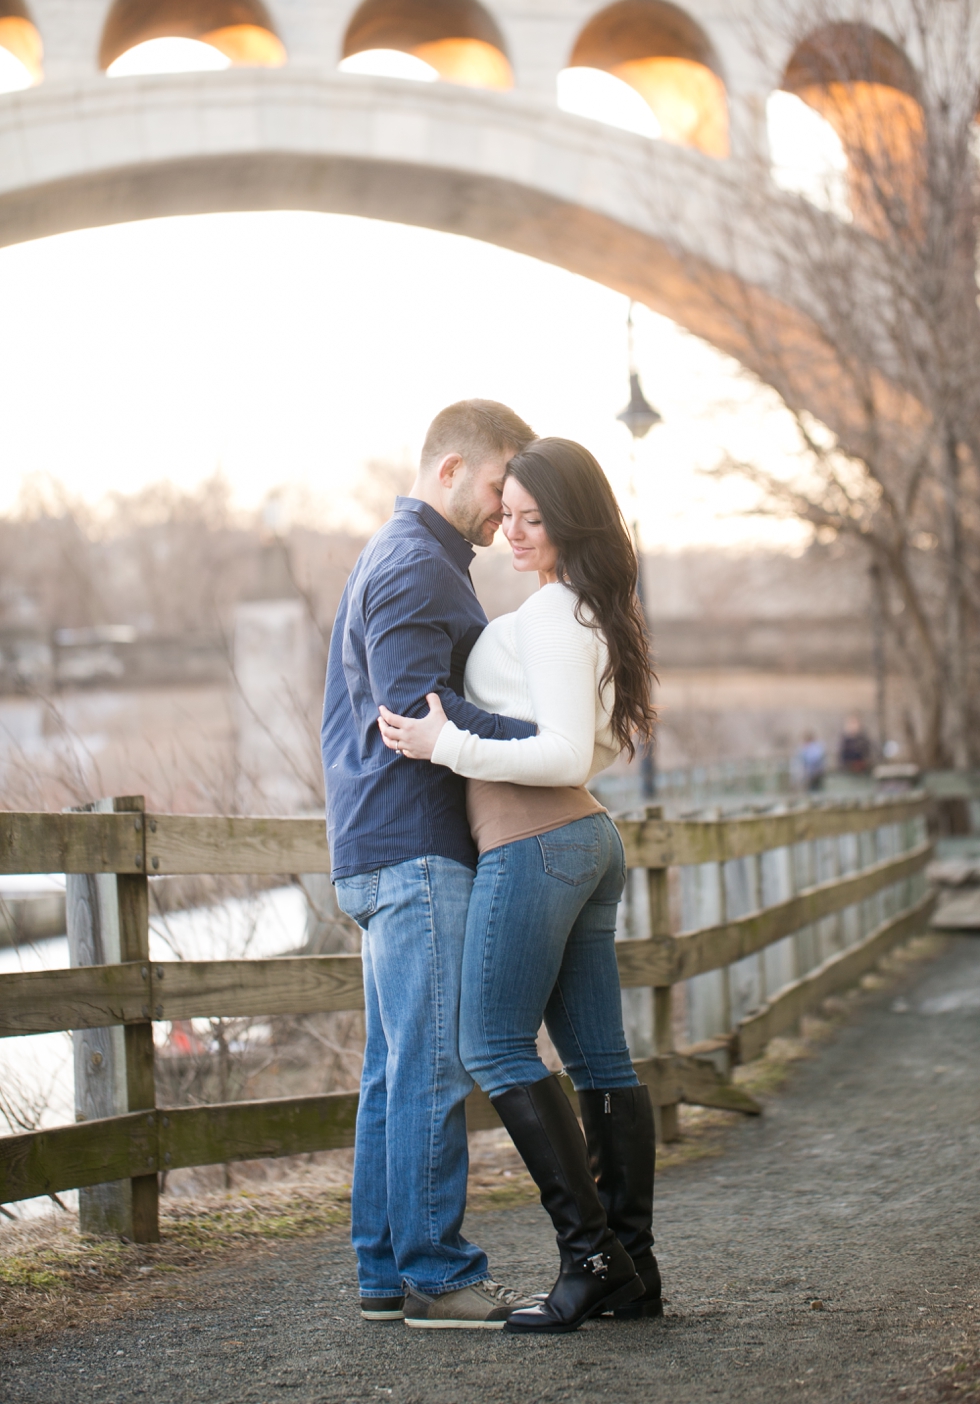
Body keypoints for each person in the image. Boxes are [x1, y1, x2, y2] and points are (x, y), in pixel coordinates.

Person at [379, 437, 662, 1336]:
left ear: (571, 521)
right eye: (508, 517)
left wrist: (445, 745)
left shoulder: (551, 618)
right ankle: (631, 1270)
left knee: (493, 1044)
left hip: (536, 844)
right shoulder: (587, 615)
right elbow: (601, 750)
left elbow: (568, 753)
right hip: (582, 841)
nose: (512, 533)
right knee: (599, 1061)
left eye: (533, 520)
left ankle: (590, 1260)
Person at [322, 399, 539, 1328]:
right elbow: (416, 714)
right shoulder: (416, 568)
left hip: (379, 844)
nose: (506, 509)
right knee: (434, 1067)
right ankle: (437, 1276)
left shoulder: (402, 557)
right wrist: (545, 735)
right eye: (500, 486)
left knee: (395, 1068)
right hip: (413, 846)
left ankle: (384, 1270)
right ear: (450, 469)